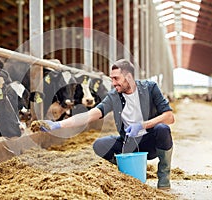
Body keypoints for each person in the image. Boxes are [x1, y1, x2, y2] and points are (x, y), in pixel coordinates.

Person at [35, 59, 175, 190]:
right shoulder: (114, 96)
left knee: (162, 129)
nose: (113, 83)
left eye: (116, 78)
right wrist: (58, 125)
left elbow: (169, 117)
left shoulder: (150, 88)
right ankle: (128, 168)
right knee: (99, 145)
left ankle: (163, 176)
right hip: (128, 143)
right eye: (112, 78)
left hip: (150, 142)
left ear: (129, 77)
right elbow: (89, 115)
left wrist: (143, 125)